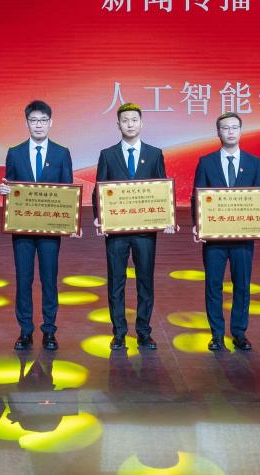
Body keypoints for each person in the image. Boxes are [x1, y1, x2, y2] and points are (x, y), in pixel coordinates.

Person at [92, 103, 175, 351]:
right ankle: (118, 332)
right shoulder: (108, 154)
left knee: (145, 281)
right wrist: (99, 217)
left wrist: (167, 216)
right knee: (116, 282)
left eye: (134, 120)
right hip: (116, 231)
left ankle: (144, 332)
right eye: (125, 120)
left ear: (142, 123)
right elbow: (99, 188)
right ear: (118, 124)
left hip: (144, 232)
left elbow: (161, 188)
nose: (130, 124)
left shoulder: (154, 154)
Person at [191, 112, 260, 352]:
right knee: (213, 285)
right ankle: (216, 334)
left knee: (242, 285)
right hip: (214, 238)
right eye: (225, 128)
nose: (230, 132)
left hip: (243, 238)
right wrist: (197, 224)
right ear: (218, 132)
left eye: (234, 127)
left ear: (240, 131)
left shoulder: (253, 162)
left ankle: (239, 333)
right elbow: (197, 196)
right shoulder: (206, 162)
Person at [0, 100, 75, 351]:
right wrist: (5, 191)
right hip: (22, 229)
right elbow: (10, 187)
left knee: (49, 279)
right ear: (27, 123)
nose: (39, 125)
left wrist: (70, 221)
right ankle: (25, 331)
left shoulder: (61, 153)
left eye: (43, 120)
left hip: (50, 231)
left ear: (51, 122)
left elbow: (67, 191)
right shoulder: (15, 152)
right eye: (34, 120)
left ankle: (49, 330)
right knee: (24, 279)